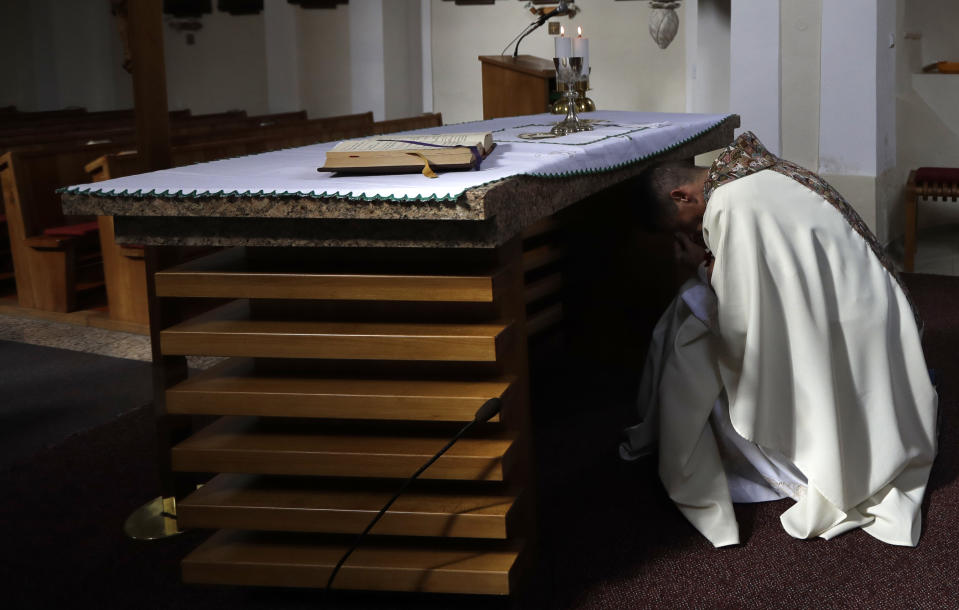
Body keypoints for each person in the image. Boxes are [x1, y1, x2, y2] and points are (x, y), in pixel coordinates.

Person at [620, 131, 938, 547]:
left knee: (691, 331)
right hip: (872, 311)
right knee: (691, 308)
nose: (695, 231)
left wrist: (695, 268)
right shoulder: (752, 170)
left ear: (682, 196)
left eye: (688, 225)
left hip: (854, 330)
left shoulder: (732, 204)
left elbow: (741, 318)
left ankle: (701, 455)